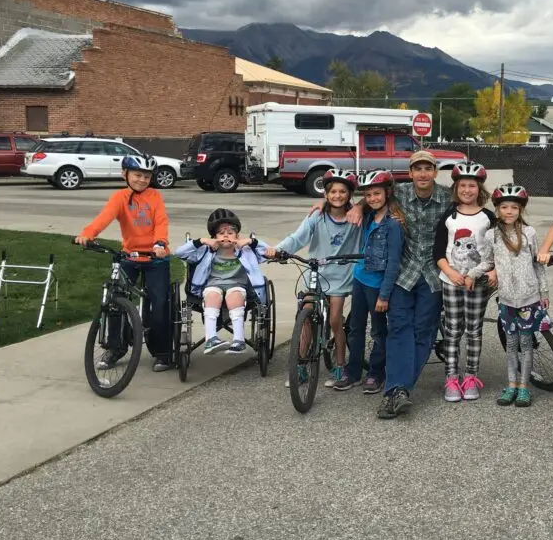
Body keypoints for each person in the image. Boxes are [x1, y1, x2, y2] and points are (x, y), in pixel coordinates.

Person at [345, 151, 451, 420]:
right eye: (418, 169)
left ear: (435, 172)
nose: (423, 173)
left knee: (422, 333)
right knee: (398, 329)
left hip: (433, 275)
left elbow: (475, 207)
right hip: (404, 273)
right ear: (411, 173)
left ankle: (397, 390)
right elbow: (373, 198)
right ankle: (397, 389)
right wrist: (358, 206)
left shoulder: (448, 196)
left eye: (428, 168)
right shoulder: (399, 193)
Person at [75, 155, 172, 372]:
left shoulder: (155, 196)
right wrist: (88, 234)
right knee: (115, 301)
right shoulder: (119, 197)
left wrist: (160, 243)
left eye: (147, 176)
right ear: (124, 174)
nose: (142, 180)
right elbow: (104, 217)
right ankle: (115, 347)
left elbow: (161, 221)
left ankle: (162, 352)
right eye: (137, 175)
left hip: (156, 257)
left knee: (159, 304)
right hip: (130, 255)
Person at [270, 168, 361, 388]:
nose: (337, 196)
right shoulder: (317, 217)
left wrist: (360, 206)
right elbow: (298, 238)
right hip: (316, 272)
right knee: (306, 316)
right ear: (325, 195)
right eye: (332, 192)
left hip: (341, 274)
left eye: (342, 192)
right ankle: (300, 366)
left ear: (349, 195)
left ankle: (340, 366)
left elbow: (373, 203)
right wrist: (277, 250)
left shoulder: (356, 217)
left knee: (335, 319)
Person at [333, 169, 404, 395]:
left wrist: (384, 295)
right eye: (369, 195)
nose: (373, 198)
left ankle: (375, 373)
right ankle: (353, 372)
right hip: (360, 278)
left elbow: (393, 262)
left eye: (377, 194)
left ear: (387, 193)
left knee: (378, 331)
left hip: (378, 285)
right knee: (355, 328)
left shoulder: (393, 224)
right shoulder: (368, 216)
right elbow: (337, 205)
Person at [433, 161, 496, 402]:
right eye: (462, 186)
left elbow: (497, 248)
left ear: (479, 189)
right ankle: (451, 377)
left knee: (474, 329)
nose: (467, 190)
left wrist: (495, 272)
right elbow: (438, 251)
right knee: (452, 329)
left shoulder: (489, 217)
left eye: (472, 186)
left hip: (477, 284)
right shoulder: (448, 216)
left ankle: (470, 375)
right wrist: (450, 272)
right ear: (455, 188)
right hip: (451, 281)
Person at [485, 184, 551, 408]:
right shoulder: (491, 234)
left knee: (526, 343)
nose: (510, 211)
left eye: (514, 207)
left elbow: (538, 264)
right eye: (504, 207)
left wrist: (544, 291)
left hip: (528, 298)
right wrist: (470, 274)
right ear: (497, 209)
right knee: (511, 344)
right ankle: (511, 384)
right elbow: (487, 262)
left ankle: (524, 388)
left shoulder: (529, 233)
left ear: (520, 210)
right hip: (506, 299)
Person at [174, 209, 271, 354]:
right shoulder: (206, 250)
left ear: (237, 236)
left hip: (238, 286)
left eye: (230, 233)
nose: (226, 236)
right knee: (212, 294)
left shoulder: (246, 251)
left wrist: (251, 241)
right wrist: (201, 241)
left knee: (235, 295)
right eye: (221, 233)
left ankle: (239, 340)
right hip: (212, 285)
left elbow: (268, 252)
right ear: (214, 237)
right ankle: (211, 339)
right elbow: (179, 253)